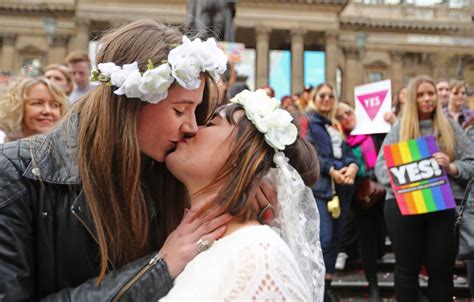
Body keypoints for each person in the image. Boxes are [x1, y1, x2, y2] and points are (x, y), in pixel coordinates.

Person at [0, 20, 260, 300]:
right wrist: (159, 269)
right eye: (179, 110)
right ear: (130, 105)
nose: (192, 127)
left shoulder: (171, 172)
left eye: (196, 111)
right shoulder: (15, 171)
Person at [162, 89, 325, 300]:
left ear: (245, 155)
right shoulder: (192, 248)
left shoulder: (260, 255)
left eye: (211, 124)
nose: (193, 128)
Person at [375, 75, 474, 301]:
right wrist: (405, 182)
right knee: (407, 270)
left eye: (431, 93)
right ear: (412, 98)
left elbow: (471, 162)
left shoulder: (449, 126)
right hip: (402, 207)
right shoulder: (399, 129)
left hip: (441, 207)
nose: (427, 98)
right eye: (420, 94)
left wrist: (451, 167)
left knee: (441, 270)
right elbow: (381, 167)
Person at [301, 83, 359, 302]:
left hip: (341, 190)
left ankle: (326, 287)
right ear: (315, 98)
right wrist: (331, 170)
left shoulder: (336, 124)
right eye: (322, 95)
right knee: (323, 239)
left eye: (330, 96)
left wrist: (352, 166)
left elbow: (349, 153)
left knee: (335, 241)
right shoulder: (308, 121)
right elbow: (309, 153)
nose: (326, 99)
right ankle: (315, 290)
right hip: (320, 189)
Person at [336, 102, 386, 302]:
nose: (346, 118)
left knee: (381, 244)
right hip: (361, 196)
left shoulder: (376, 132)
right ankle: (373, 285)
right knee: (367, 242)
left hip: (386, 189)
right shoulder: (342, 141)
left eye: (348, 112)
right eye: (340, 117)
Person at [0, 77, 69, 142]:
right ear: (17, 108)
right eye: (37, 103)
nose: (47, 111)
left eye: (54, 105)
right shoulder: (4, 147)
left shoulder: (71, 148)